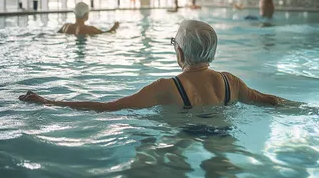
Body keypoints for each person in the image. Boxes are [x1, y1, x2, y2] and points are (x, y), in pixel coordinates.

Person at [20, 20, 292, 111]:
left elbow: (107, 108)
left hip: (181, 136)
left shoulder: (166, 88)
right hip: (222, 135)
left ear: (181, 52)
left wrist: (49, 102)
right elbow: (269, 101)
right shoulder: (230, 81)